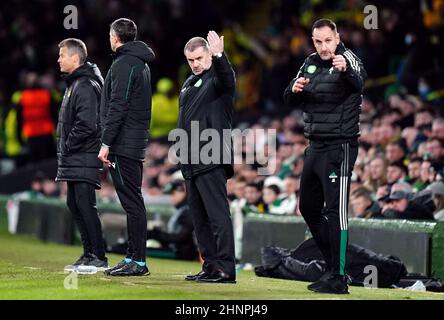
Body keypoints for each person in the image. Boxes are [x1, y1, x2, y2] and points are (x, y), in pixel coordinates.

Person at [283, 18, 367, 294]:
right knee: (308, 207)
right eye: (318, 42)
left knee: (335, 212)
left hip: (339, 147)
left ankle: (340, 277)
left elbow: (359, 83)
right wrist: (294, 90)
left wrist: (346, 72)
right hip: (314, 146)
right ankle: (332, 267)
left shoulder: (348, 60)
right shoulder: (308, 62)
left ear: (337, 37)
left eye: (327, 41)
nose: (323, 47)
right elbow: (289, 98)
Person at [178, 31, 236, 283]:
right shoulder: (189, 83)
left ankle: (225, 268)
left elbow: (228, 78)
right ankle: (210, 265)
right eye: (191, 60)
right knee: (199, 219)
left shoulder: (217, 78)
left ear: (209, 54)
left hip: (211, 155)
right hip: (190, 160)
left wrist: (221, 56)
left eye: (200, 58)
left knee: (217, 215)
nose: (196, 64)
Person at [98, 18, 155, 276]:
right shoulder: (139, 63)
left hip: (124, 145)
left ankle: (138, 262)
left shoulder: (125, 63)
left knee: (132, 203)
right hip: (131, 142)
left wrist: (106, 142)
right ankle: (133, 257)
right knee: (133, 202)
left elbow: (117, 105)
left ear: (114, 36)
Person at [55, 38, 108, 271]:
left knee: (85, 205)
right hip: (75, 157)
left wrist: (67, 144)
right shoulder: (74, 84)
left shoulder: (85, 84)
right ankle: (88, 255)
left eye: (62, 55)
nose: (59, 59)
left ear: (75, 58)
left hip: (83, 155)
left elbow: (87, 124)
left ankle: (98, 256)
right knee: (75, 204)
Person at [146, 180, 198, 260]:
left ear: (183, 192)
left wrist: (157, 234)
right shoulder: (183, 209)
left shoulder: (189, 211)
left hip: (183, 254)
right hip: (177, 250)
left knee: (129, 249)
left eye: (173, 194)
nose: (171, 198)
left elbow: (181, 237)